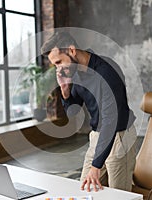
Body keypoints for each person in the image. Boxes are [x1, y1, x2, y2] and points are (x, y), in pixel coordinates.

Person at [41, 31, 137, 192]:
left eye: (59, 62)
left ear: (71, 50)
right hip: (97, 136)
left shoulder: (107, 72)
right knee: (85, 191)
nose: (58, 68)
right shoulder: (75, 73)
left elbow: (110, 121)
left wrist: (96, 166)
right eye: (55, 65)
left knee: (119, 195)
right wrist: (65, 90)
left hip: (119, 137)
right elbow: (74, 113)